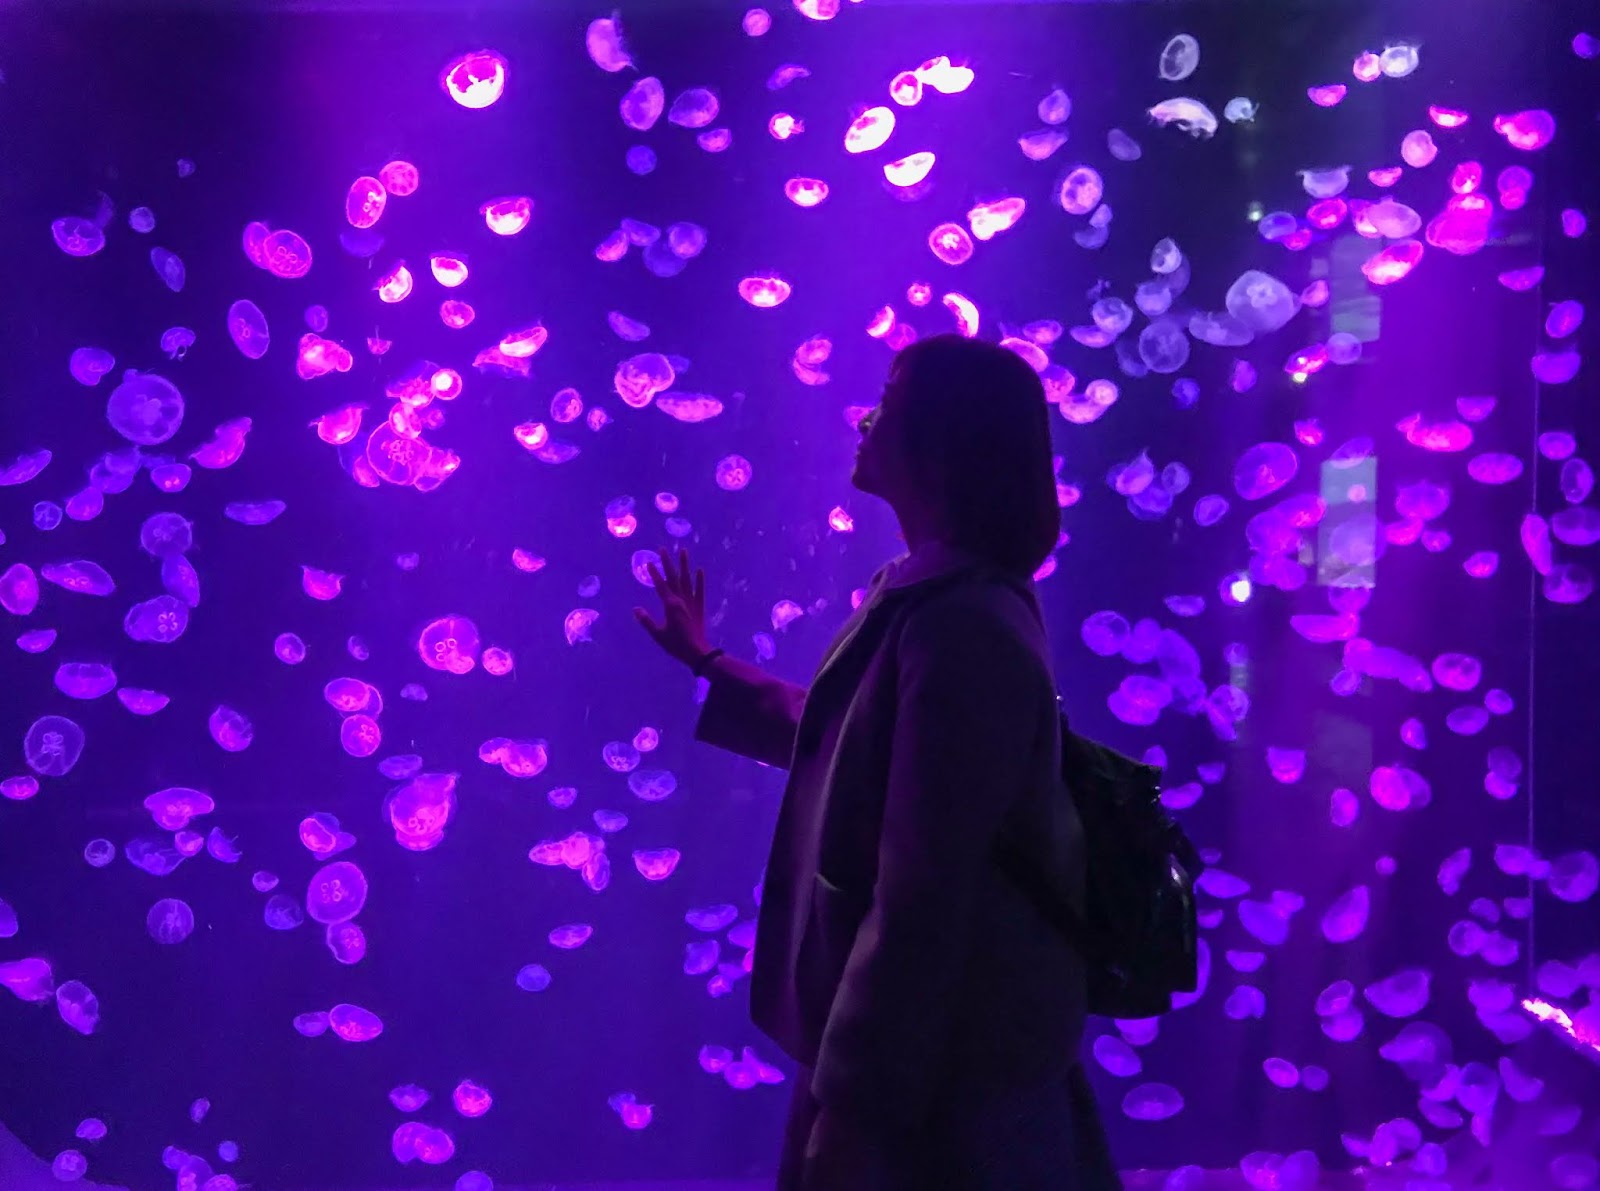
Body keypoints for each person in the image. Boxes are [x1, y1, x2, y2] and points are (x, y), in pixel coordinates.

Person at [635, 334, 1118, 1190]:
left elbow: (923, 894)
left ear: (942, 436)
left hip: (944, 1075)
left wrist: (856, 1104)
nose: (866, 418)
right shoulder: (926, 596)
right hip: (915, 1052)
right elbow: (851, 740)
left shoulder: (964, 626)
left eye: (889, 400)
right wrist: (709, 662)